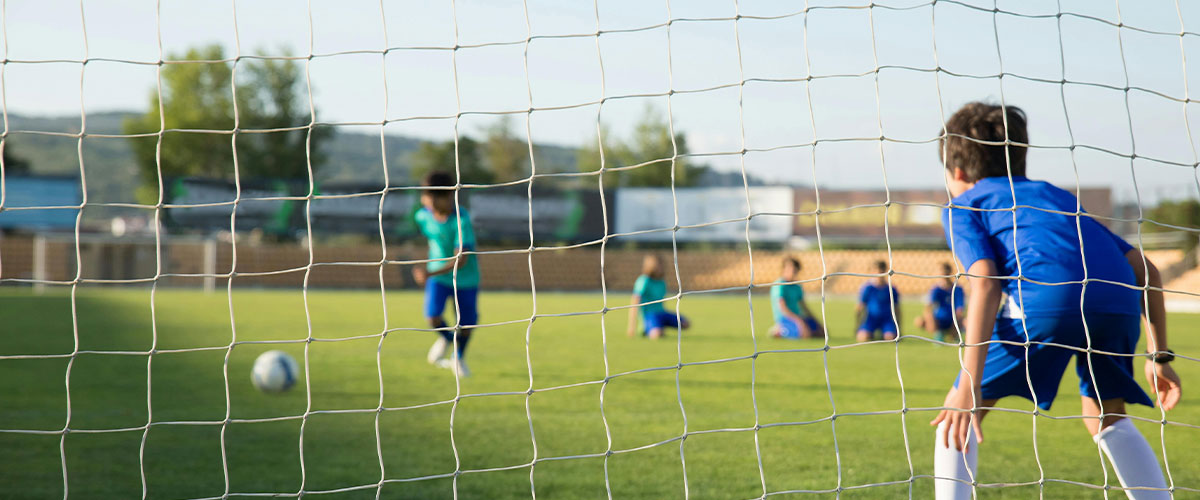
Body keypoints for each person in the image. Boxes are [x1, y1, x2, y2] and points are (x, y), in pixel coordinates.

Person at [930, 102, 1181, 499]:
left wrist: (967, 384)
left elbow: (984, 282)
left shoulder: (966, 204)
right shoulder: (1054, 196)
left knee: (957, 415)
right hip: (1116, 302)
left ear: (957, 172)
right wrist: (1159, 355)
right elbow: (1146, 270)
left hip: (1049, 300)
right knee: (1106, 414)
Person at [412, 171, 479, 377]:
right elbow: (432, 240)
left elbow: (462, 259)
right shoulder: (422, 216)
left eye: (430, 196)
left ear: (447, 196)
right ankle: (448, 340)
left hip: (465, 278)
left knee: (466, 324)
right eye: (425, 195)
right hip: (439, 278)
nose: (426, 200)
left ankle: (458, 357)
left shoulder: (461, 219)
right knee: (432, 317)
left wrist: (429, 272)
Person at [627, 254, 689, 339]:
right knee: (656, 335)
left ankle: (660, 325)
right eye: (658, 265)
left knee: (686, 324)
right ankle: (648, 328)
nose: (661, 268)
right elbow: (635, 301)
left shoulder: (662, 282)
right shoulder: (644, 280)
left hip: (662, 313)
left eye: (662, 265)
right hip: (649, 315)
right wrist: (632, 325)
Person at [769, 256, 825, 339]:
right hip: (785, 318)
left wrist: (817, 321)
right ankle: (779, 330)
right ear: (784, 269)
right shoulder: (780, 285)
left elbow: (804, 306)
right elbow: (782, 307)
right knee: (806, 334)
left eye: (795, 270)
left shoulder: (797, 286)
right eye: (790, 269)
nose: (792, 272)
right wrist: (799, 321)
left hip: (799, 317)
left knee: (822, 333)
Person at [915, 262, 966, 343]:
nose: (942, 273)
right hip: (939, 320)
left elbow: (960, 309)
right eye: (940, 271)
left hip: (953, 320)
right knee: (920, 320)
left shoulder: (957, 288)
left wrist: (955, 324)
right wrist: (930, 318)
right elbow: (928, 307)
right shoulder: (936, 289)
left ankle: (955, 334)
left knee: (966, 321)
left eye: (944, 271)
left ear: (949, 272)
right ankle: (938, 334)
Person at [855, 260, 901, 342]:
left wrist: (899, 327)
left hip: (886, 320)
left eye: (881, 271)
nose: (879, 274)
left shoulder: (891, 289)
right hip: (871, 319)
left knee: (891, 338)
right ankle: (871, 333)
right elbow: (860, 306)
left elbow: (897, 308)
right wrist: (857, 325)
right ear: (872, 272)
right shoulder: (868, 288)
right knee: (863, 337)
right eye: (876, 271)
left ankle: (884, 333)